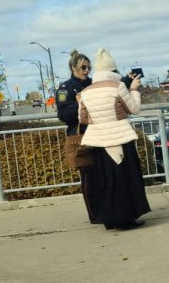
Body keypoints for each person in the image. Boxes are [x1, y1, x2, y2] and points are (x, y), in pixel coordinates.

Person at [77, 48, 150, 230]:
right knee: (127, 179)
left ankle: (110, 219)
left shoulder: (85, 92)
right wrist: (134, 90)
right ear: (113, 70)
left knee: (106, 181)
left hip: (98, 142)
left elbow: (82, 119)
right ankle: (127, 217)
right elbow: (134, 109)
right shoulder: (118, 87)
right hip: (121, 137)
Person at [57, 50, 97, 223]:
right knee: (89, 178)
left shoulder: (95, 84)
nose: (87, 70)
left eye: (89, 67)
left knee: (104, 174)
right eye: (83, 67)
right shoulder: (65, 88)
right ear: (73, 68)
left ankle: (108, 209)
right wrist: (79, 103)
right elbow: (63, 114)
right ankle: (95, 215)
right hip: (82, 136)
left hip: (100, 133)